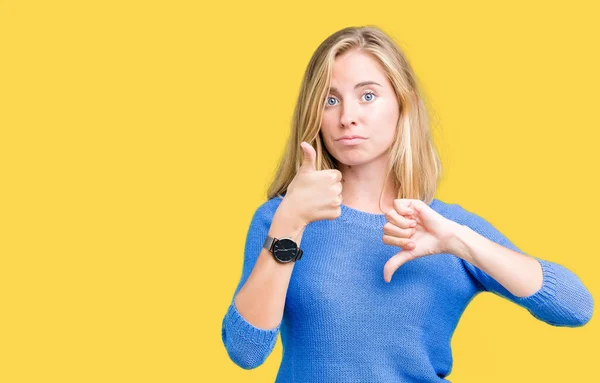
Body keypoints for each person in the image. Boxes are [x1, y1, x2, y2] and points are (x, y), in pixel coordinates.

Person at [220, 25, 594, 382]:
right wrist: (290, 224)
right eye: (330, 100)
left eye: (367, 96)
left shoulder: (441, 226)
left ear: (404, 104)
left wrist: (459, 242)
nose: (347, 117)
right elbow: (246, 351)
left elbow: (575, 307)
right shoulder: (280, 220)